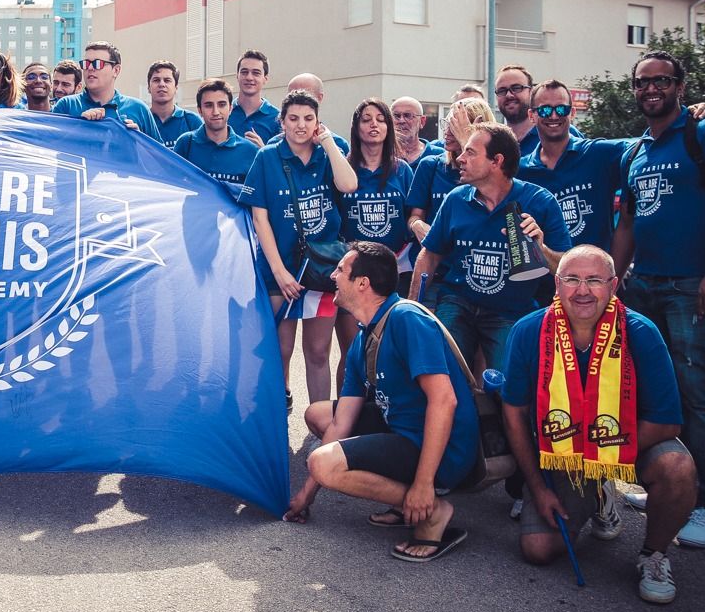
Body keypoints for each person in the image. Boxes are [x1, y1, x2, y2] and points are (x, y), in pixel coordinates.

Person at [500, 245, 698, 603]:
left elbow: (667, 423)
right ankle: (597, 494)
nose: (582, 290)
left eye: (594, 280)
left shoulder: (642, 332)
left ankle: (653, 554)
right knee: (538, 549)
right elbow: (513, 413)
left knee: (677, 467)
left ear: (614, 284)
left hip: (629, 442)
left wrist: (602, 452)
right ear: (557, 284)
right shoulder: (529, 331)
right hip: (562, 451)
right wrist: (539, 488)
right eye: (572, 279)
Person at [611, 50, 705, 549]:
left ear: (680, 86)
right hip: (644, 284)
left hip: (694, 284)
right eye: (642, 82)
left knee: (700, 389)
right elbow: (627, 221)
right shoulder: (635, 151)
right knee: (656, 391)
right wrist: (613, 276)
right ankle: (675, 484)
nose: (652, 89)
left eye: (662, 80)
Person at [283, 242, 479, 564]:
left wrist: (423, 484)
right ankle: (407, 505)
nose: (333, 276)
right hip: (403, 430)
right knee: (317, 415)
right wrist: (308, 493)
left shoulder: (406, 319)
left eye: (341, 270)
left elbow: (445, 402)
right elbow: (341, 422)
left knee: (324, 462)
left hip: (447, 449)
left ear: (362, 283)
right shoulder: (365, 335)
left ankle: (431, 511)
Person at [412, 122, 573, 380]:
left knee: (511, 386)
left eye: (470, 153)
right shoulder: (456, 198)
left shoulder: (539, 201)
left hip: (509, 309)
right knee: (440, 374)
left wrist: (540, 248)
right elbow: (429, 255)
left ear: (496, 161)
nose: (461, 159)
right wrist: (414, 307)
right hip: (458, 301)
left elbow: (567, 266)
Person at [238, 90, 357, 405]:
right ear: (282, 122)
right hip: (281, 270)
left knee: (318, 351)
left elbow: (348, 185)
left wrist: (329, 142)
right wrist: (279, 272)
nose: (301, 125)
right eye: (293, 118)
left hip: (322, 269)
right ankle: (275, 420)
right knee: (280, 349)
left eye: (308, 119)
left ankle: (320, 422)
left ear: (318, 122)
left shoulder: (328, 153)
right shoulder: (267, 157)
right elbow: (260, 218)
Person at [517, 80, 630, 254]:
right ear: (532, 115)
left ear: (572, 113)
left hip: (594, 277)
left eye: (561, 109)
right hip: (544, 278)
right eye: (545, 110)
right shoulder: (521, 171)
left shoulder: (599, 154)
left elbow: (646, 148)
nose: (554, 116)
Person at [407, 98, 494, 296]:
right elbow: (414, 216)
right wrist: (417, 226)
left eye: (456, 125)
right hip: (435, 271)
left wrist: (468, 143)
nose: (446, 131)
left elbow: (484, 194)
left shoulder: (490, 172)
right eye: (447, 123)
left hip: (473, 272)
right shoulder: (431, 165)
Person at [339, 98, 415, 325]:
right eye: (367, 120)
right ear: (356, 127)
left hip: (395, 272)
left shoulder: (402, 170)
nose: (374, 125)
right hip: (354, 272)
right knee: (354, 351)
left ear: (388, 128)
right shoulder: (343, 168)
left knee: (388, 347)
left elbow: (413, 217)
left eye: (381, 120)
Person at [52, 41, 162, 140]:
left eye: (98, 64)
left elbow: (161, 157)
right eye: (86, 64)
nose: (90, 68)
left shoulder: (138, 108)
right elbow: (49, 148)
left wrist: (139, 139)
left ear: (116, 70)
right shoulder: (66, 105)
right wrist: (80, 126)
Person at [173, 78, 259, 196]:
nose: (215, 111)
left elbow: (256, 197)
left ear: (230, 109)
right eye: (208, 105)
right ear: (200, 110)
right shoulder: (185, 143)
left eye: (221, 104)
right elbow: (172, 187)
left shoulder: (250, 150)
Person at [230, 50, 281, 145]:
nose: (249, 77)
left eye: (256, 73)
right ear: (237, 76)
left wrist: (263, 150)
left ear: (265, 79)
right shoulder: (224, 113)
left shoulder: (278, 118)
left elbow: (280, 158)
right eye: (244, 72)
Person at [146, 60, 202, 145]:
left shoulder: (192, 121)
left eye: (167, 80)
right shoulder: (143, 121)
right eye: (156, 80)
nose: (162, 84)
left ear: (176, 88)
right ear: (149, 88)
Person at [493, 66, 541, 155]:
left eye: (516, 88)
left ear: (531, 92)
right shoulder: (494, 142)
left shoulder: (555, 133)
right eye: (502, 90)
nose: (509, 95)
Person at [391, 96, 441, 165]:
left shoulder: (439, 156)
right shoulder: (381, 155)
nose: (401, 121)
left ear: (422, 121)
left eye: (407, 115)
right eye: (396, 116)